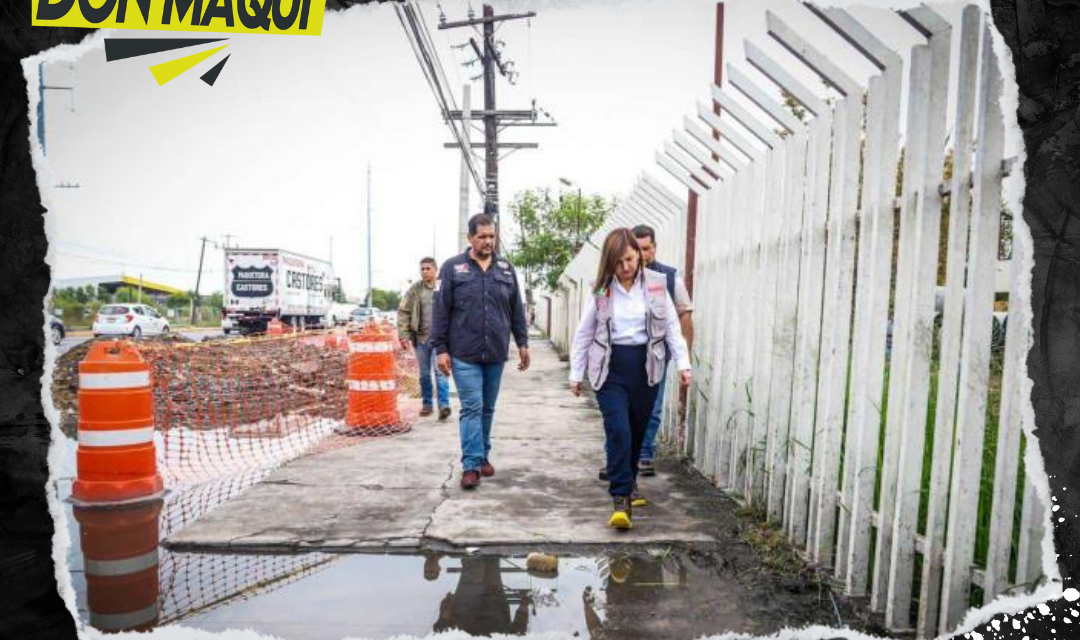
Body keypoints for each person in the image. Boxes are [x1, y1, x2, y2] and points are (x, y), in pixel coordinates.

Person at [570, 228, 691, 529]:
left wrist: (683, 364)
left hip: (647, 366)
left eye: (629, 259)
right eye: (618, 262)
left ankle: (629, 479)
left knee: (637, 432)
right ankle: (620, 498)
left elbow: (672, 327)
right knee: (619, 430)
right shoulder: (602, 290)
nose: (625, 267)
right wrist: (576, 372)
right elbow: (584, 333)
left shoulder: (656, 285)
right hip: (610, 367)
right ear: (609, 263)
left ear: (638, 254)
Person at [431, 213, 531, 490]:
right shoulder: (452, 269)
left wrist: (522, 342)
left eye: (492, 236)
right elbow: (440, 311)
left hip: (496, 353)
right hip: (464, 353)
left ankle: (483, 454)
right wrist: (440, 349)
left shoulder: (506, 269)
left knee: (487, 409)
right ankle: (471, 465)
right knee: (472, 408)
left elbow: (516, 310)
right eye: (482, 236)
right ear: (470, 238)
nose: (488, 241)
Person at [633, 224, 694, 477]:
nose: (642, 254)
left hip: (657, 354)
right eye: (637, 249)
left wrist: (684, 360)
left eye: (646, 248)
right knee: (623, 407)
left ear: (654, 247)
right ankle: (620, 454)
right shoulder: (622, 274)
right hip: (626, 353)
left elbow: (685, 316)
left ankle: (644, 454)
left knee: (653, 407)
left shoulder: (670, 277)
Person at [398, 257, 452, 421]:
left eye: (428, 268)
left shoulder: (443, 287)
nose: (425, 272)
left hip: (440, 340)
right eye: (422, 269)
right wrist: (403, 334)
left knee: (440, 372)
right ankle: (427, 404)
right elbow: (403, 311)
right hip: (421, 339)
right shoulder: (415, 289)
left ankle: (444, 406)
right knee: (424, 374)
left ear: (435, 270)